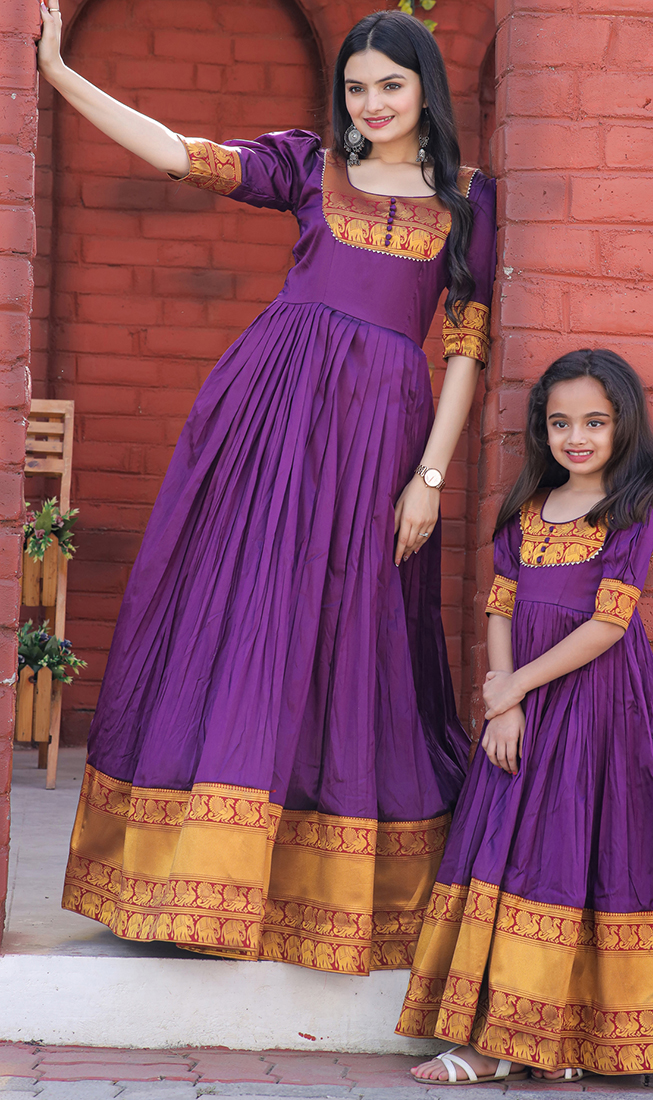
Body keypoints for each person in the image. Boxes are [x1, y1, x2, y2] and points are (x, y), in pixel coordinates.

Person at [37, 4, 497, 972]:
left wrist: (429, 477)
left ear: (424, 91)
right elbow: (180, 155)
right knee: (250, 623)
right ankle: (198, 881)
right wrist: (59, 75)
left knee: (351, 640)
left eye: (390, 85)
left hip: (381, 445)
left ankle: (317, 893)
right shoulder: (305, 165)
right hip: (270, 425)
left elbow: (463, 349)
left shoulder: (465, 201)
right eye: (356, 86)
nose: (369, 104)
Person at [396, 349, 653, 1080]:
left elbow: (608, 627)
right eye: (559, 422)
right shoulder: (524, 513)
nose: (575, 436)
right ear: (541, 430)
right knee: (514, 852)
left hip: (598, 707)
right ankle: (499, 1040)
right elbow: (501, 607)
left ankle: (545, 1042)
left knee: (575, 853)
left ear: (623, 427)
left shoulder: (628, 515)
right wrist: (501, 696)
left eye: (593, 422)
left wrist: (516, 686)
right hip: (521, 708)